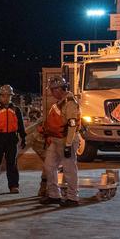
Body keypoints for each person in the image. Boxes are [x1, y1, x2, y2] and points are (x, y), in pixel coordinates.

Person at [40, 77, 81, 207]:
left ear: (58, 89)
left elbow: (72, 125)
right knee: (49, 166)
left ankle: (72, 198)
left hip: (66, 141)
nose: (51, 93)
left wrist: (68, 145)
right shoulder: (59, 103)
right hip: (56, 140)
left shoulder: (69, 103)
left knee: (69, 169)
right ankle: (53, 195)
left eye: (52, 90)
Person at [0, 84, 27, 194]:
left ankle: (13, 185)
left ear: (11, 97)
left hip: (12, 138)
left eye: (8, 96)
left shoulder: (16, 110)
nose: (5, 98)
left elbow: (21, 124)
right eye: (3, 96)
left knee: (12, 163)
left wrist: (23, 137)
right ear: (0, 96)